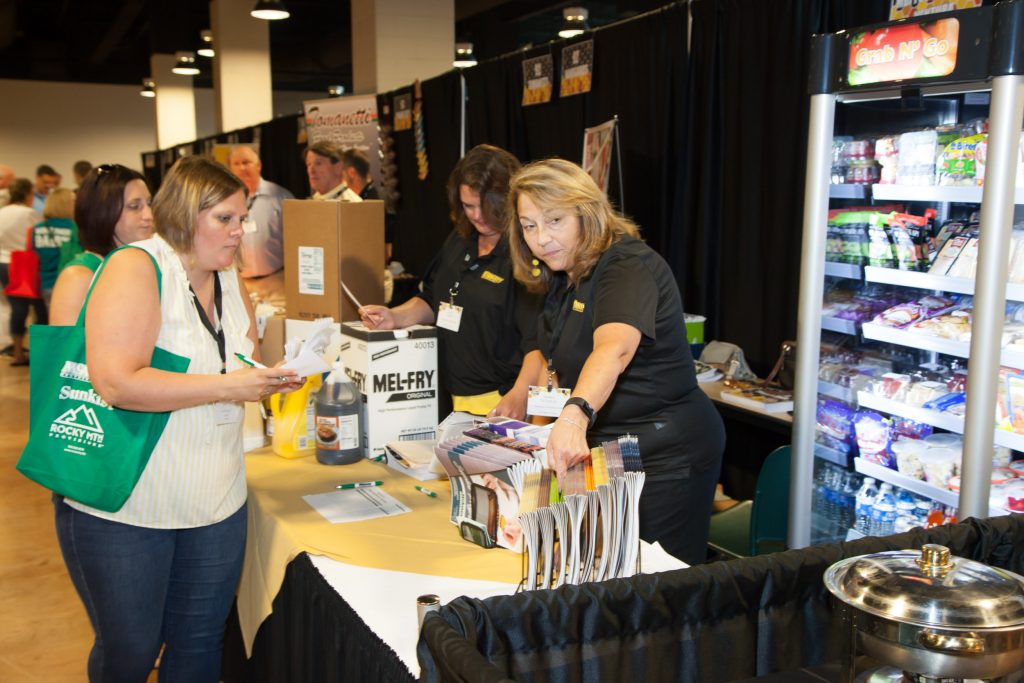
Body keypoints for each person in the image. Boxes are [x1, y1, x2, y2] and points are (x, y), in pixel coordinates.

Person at [54, 156, 304, 682]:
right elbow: (117, 381)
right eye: (225, 220)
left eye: (243, 220)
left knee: (197, 646)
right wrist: (232, 386)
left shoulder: (229, 279)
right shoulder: (137, 266)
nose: (240, 232)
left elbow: (238, 361)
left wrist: (274, 376)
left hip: (215, 503)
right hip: (129, 506)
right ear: (187, 214)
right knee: (132, 651)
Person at [507, 158, 725, 565]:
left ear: (585, 212)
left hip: (666, 453)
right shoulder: (564, 274)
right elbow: (552, 356)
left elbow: (614, 348)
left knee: (655, 585)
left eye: (554, 220)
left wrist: (573, 418)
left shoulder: (626, 266)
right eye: (529, 225)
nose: (540, 238)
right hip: (612, 452)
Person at [360, 144, 543, 420]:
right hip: (451, 399)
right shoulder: (459, 240)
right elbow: (433, 297)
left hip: (502, 403)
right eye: (469, 206)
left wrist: (519, 396)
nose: (478, 216)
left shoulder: (524, 254)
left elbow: (539, 342)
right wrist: (393, 316)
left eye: (488, 207)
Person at [49, 164, 154, 326]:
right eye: (134, 206)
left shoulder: (145, 264)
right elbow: (66, 350)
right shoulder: (79, 278)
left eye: (149, 203)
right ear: (102, 212)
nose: (149, 215)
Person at [227, 144, 294, 303]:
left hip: (276, 281)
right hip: (239, 283)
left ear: (258, 165)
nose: (242, 168)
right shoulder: (225, 200)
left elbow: (295, 240)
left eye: (246, 162)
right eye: (236, 164)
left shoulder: (280, 196)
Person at [0, 178, 43, 365]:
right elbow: (37, 238)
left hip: (3, 262)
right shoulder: (30, 214)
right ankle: (42, 351)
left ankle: (17, 351)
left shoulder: (1, 213)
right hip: (27, 264)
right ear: (27, 194)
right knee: (39, 308)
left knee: (17, 308)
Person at [342, 147, 397, 261]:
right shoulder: (359, 197)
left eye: (340, 173)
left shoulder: (377, 200)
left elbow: (387, 252)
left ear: (351, 173)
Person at [32, 187, 77, 302]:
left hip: (45, 283)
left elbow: (34, 255)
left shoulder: (37, 229)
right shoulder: (75, 228)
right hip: (70, 282)